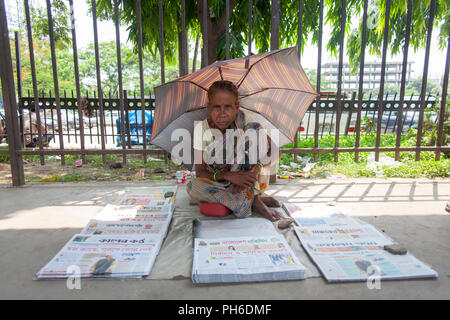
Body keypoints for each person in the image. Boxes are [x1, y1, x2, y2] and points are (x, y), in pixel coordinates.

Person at [186, 80, 281, 221]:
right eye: (216, 107)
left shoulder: (245, 120)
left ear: (237, 107)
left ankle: (248, 199)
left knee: (254, 129)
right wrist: (229, 176)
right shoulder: (202, 129)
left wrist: (256, 168)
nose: (222, 113)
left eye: (228, 107)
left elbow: (276, 152)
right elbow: (200, 172)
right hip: (220, 182)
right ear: (208, 107)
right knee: (193, 186)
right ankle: (252, 200)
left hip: (250, 178)